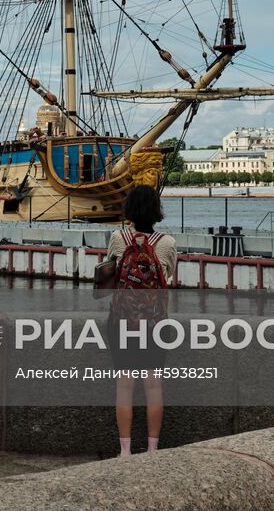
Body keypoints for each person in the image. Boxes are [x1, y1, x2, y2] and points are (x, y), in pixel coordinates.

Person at [106, 184, 177, 457]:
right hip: (155, 324)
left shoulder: (117, 238)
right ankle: (152, 449)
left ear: (130, 210)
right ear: (156, 211)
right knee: (154, 385)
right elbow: (167, 277)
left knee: (124, 385)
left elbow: (109, 277)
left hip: (121, 321)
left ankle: (125, 451)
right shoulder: (167, 243)